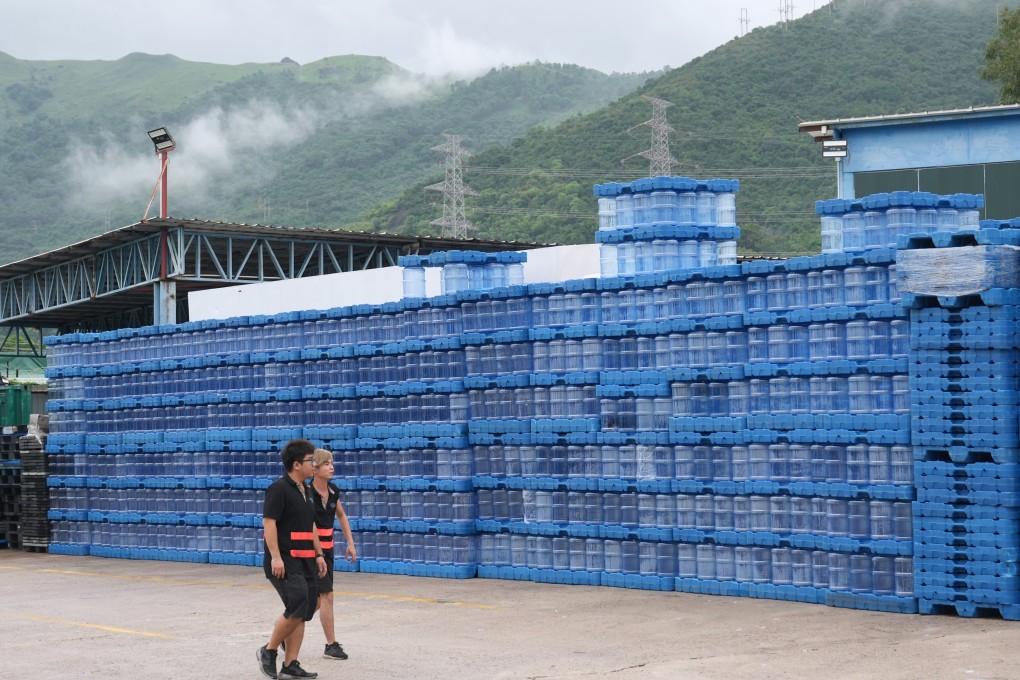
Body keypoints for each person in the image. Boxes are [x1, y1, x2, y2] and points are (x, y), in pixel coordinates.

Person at [257, 439, 327, 680]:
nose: (314, 465)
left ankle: (290, 664)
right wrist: (276, 557)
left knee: (307, 607)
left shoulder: (306, 490)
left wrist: (319, 554)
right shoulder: (279, 489)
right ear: (297, 464)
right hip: (285, 561)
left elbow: (310, 525)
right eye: (311, 461)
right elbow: (269, 524)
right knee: (297, 603)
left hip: (306, 558)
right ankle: (268, 651)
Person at [309, 448, 357, 660]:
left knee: (317, 601)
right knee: (327, 595)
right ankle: (331, 645)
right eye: (326, 464)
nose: (331, 467)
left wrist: (350, 543)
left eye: (332, 463)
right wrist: (318, 552)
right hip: (311, 551)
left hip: (327, 551)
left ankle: (288, 627)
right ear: (315, 469)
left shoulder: (333, 491)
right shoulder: (306, 493)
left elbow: (341, 516)